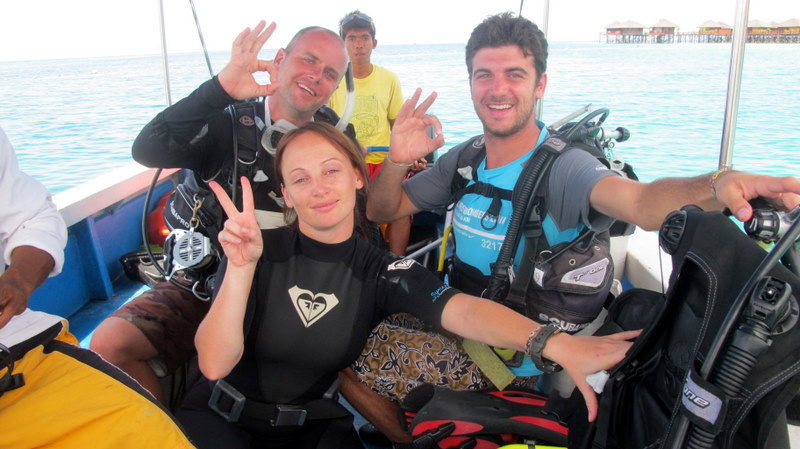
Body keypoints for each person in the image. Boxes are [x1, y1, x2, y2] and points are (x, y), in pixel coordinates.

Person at [350, 11, 800, 443]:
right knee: (348, 318)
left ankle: (414, 439)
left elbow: (641, 203)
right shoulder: (465, 159)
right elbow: (383, 210)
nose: (497, 88)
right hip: (466, 322)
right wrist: (397, 160)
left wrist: (718, 183)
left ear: (540, 84)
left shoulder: (565, 169)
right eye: (484, 75)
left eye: (514, 74)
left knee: (343, 355)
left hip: (519, 359)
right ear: (470, 83)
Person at [172, 120, 639, 449]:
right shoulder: (257, 253)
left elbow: (464, 310)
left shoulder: (382, 271)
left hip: (315, 429)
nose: (319, 187)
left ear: (358, 178)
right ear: (287, 196)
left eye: (331, 170)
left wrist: (553, 343)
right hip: (220, 420)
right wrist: (240, 269)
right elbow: (214, 363)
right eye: (301, 179)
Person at [89, 20, 353, 404]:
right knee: (111, 343)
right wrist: (220, 89)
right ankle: (168, 426)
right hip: (210, 280)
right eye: (308, 60)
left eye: (330, 73)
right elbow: (148, 149)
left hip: (293, 288)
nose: (316, 76)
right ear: (280, 59)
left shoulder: (337, 138)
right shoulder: (225, 121)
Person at [0, 126, 193, 448]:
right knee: (113, 340)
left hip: (14, 357)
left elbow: (31, 219)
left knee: (152, 435)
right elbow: (151, 148)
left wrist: (18, 279)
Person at [328, 10, 419, 256]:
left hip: (383, 163)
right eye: (351, 38)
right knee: (350, 213)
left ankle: (396, 265)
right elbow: (324, 127)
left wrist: (411, 155)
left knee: (402, 210)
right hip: (348, 163)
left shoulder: (389, 79)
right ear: (343, 43)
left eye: (364, 38)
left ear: (374, 43)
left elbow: (397, 125)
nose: (358, 44)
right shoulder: (333, 80)